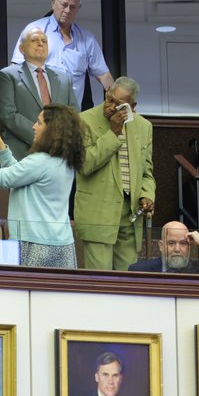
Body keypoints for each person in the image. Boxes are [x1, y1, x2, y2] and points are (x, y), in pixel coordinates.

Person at [0, 107, 84, 268]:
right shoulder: (63, 161)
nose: (33, 126)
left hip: (35, 243)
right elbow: (18, 173)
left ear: (53, 130)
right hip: (61, 244)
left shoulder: (40, 161)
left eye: (39, 122)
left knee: (29, 292)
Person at [74, 77, 155, 272]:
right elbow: (84, 164)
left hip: (130, 216)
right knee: (100, 285)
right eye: (109, 98)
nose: (110, 106)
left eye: (118, 104)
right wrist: (113, 133)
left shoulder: (144, 127)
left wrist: (147, 194)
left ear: (132, 106)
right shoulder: (84, 120)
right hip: (98, 216)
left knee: (127, 284)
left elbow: (147, 172)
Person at [10, 0, 114, 107]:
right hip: (38, 114)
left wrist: (120, 100)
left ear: (78, 9)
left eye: (73, 7)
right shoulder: (34, 30)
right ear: (53, 4)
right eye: (64, 5)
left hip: (71, 117)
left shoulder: (87, 39)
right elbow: (16, 70)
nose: (68, 10)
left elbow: (103, 75)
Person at [0, 26, 76, 160]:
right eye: (34, 40)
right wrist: (43, 138)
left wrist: (59, 140)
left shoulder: (64, 78)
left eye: (44, 41)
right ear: (22, 49)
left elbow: (73, 113)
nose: (40, 43)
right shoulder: (8, 75)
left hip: (59, 154)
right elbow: (8, 115)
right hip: (22, 152)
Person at [128, 221, 199, 275]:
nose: (177, 249)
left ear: (189, 246)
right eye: (171, 243)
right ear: (161, 245)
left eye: (183, 243)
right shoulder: (140, 270)